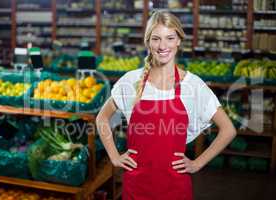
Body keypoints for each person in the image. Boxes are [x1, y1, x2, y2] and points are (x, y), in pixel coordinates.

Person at [96, 10, 237, 200]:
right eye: (156, 39)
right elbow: (102, 118)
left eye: (169, 38)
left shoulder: (193, 85)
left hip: (175, 188)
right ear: (148, 42)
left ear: (179, 40)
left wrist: (197, 164)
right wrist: (114, 156)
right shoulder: (131, 81)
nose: (163, 46)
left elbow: (228, 129)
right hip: (136, 186)